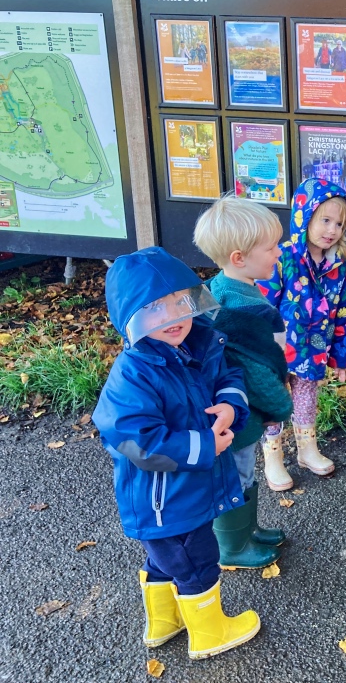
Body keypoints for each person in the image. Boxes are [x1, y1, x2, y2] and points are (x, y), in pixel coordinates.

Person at [92, 247, 260, 659]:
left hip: (183, 490)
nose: (173, 318)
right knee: (195, 559)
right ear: (130, 319)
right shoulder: (133, 373)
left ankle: (164, 622)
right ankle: (209, 632)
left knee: (166, 561)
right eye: (154, 309)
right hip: (164, 498)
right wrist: (206, 446)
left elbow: (227, 375)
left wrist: (230, 405)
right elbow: (137, 440)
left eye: (180, 303)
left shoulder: (198, 344)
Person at [194, 197, 293, 565]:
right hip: (238, 412)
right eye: (270, 247)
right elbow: (254, 369)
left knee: (243, 472)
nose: (278, 253)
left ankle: (247, 532)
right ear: (239, 258)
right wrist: (280, 406)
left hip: (230, 408)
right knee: (235, 475)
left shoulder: (219, 288)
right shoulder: (241, 309)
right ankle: (232, 548)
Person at [257, 177, 346, 490]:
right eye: (324, 220)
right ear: (305, 218)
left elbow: (343, 314)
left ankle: (307, 449)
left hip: (312, 349)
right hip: (276, 348)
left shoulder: (338, 268)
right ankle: (273, 455)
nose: (331, 230)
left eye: (339, 224)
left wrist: (340, 356)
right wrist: (256, 345)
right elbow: (264, 302)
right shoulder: (283, 258)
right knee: (274, 400)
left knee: (305, 397)